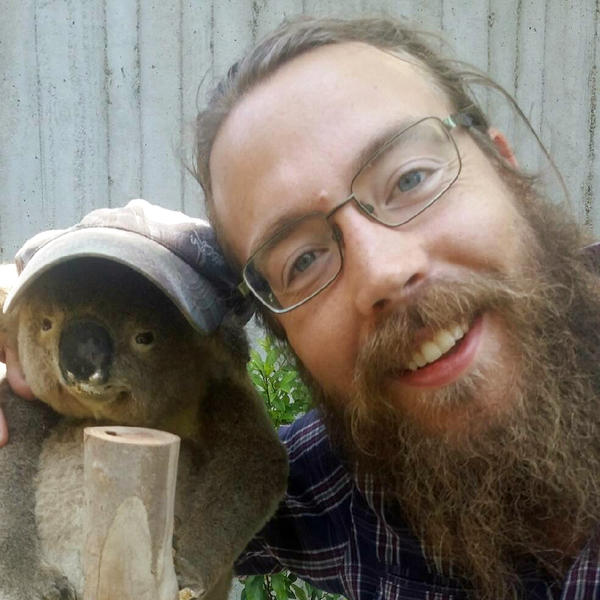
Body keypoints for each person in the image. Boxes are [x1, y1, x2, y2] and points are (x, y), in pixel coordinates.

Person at [4, 16, 600, 599]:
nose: (383, 273)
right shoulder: (348, 486)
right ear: (280, 331)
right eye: (303, 259)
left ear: (504, 164)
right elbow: (216, 489)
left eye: (411, 179)